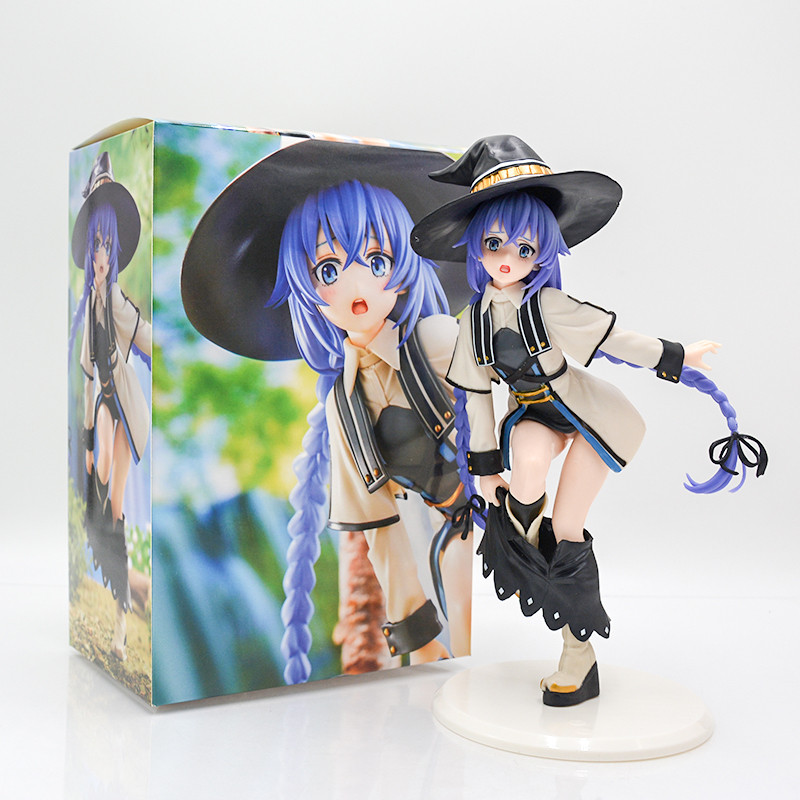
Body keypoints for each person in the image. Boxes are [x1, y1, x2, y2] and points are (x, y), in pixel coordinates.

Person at [411, 135, 767, 706]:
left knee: (568, 529)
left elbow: (617, 340)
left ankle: (578, 653)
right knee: (527, 464)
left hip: (592, 418)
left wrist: (678, 356)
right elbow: (476, 396)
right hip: (533, 416)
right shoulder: (472, 321)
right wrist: (484, 469)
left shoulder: (548, 306)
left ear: (543, 252)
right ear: (476, 246)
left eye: (524, 248)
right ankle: (524, 543)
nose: (507, 258)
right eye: (494, 244)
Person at [181, 140, 476, 684]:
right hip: (426, 555)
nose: (356, 285)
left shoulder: (436, 341)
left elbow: (489, 410)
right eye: (329, 268)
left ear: (405, 270)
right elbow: (375, 524)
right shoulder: (344, 404)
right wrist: (416, 634)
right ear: (306, 290)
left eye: (378, 261)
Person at [69, 151, 152, 661]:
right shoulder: (90, 305)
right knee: (97, 494)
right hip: (101, 405)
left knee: (115, 506)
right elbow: (86, 378)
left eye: (107, 246)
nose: (101, 257)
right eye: (96, 246)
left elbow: (144, 336)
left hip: (124, 410)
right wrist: (85, 442)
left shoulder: (117, 302)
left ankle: (122, 623)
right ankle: (128, 588)